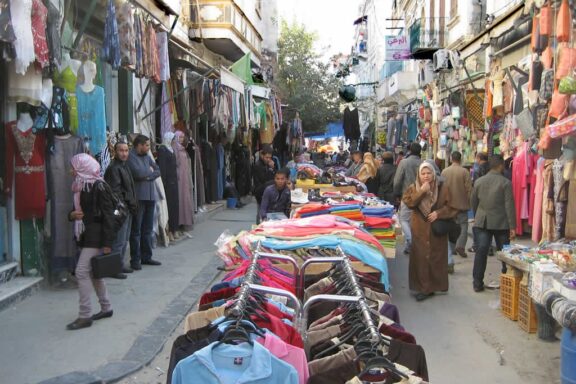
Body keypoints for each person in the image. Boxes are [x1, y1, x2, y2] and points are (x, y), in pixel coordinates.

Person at [67, 154, 115, 330]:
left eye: (73, 166)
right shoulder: (80, 186)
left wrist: (108, 243)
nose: (70, 170)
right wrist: (71, 216)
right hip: (86, 235)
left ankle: (85, 315)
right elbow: (75, 210)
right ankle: (106, 307)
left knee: (81, 271)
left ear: (82, 167)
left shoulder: (98, 186)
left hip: (96, 237)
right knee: (95, 274)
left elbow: (109, 215)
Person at [402, 162, 458, 301]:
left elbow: (452, 206)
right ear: (419, 175)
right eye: (423, 173)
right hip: (419, 229)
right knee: (420, 258)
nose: (426, 176)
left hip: (435, 229)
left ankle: (433, 286)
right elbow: (409, 202)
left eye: (429, 173)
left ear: (434, 174)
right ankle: (423, 288)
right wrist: (422, 191)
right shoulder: (413, 187)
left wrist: (439, 213)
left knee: (435, 258)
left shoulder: (443, 187)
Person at [470, 155, 516, 292]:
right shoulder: (506, 183)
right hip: (501, 223)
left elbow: (474, 202)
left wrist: (478, 215)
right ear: (501, 166)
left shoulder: (479, 182)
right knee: (505, 255)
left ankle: (477, 283)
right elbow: (509, 206)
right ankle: (508, 281)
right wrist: (512, 226)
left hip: (482, 221)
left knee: (481, 252)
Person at [127, 134, 162, 270]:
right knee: (136, 230)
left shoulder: (147, 157)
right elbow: (138, 173)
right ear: (139, 145)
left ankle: (146, 257)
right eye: (146, 145)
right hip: (138, 198)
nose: (148, 148)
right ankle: (135, 259)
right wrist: (149, 172)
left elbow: (157, 170)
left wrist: (148, 175)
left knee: (147, 229)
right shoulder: (131, 157)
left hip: (150, 196)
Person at [104, 141, 138, 279]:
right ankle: (114, 268)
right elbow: (116, 192)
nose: (124, 153)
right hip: (120, 210)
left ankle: (120, 264)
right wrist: (126, 205)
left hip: (127, 208)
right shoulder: (114, 168)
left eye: (126, 150)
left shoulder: (124, 166)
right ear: (115, 152)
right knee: (118, 239)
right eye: (121, 151)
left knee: (124, 239)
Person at [441, 151, 472, 268]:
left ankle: (452, 248)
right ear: (461, 159)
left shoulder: (445, 171)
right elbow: (469, 188)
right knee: (463, 226)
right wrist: (468, 201)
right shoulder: (465, 172)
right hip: (462, 205)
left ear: (450, 158)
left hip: (448, 205)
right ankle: (460, 246)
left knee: (450, 227)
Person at [393, 142, 422, 254]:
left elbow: (397, 180)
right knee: (414, 221)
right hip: (421, 196)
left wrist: (396, 194)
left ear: (409, 151)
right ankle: (409, 246)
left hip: (407, 196)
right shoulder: (423, 163)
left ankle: (411, 241)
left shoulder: (404, 162)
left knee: (404, 219)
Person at [469, 152, 490, 253]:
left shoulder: (477, 170)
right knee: (489, 224)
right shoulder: (491, 169)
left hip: (480, 199)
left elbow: (476, 187)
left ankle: (476, 245)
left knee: (478, 224)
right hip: (491, 199)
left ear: (478, 158)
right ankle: (489, 247)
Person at [252, 146, 275, 224]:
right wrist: (271, 169)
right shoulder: (258, 166)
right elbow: (264, 180)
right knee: (261, 212)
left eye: (269, 157)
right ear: (262, 155)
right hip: (260, 191)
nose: (268, 159)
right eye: (266, 157)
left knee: (265, 211)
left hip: (265, 190)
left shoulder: (266, 165)